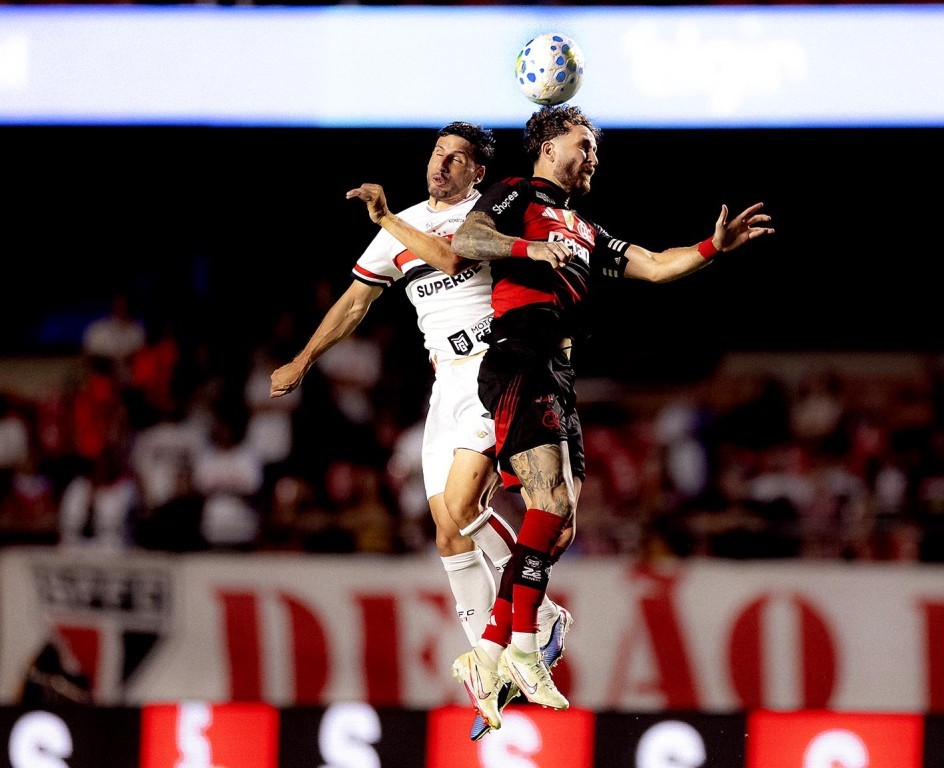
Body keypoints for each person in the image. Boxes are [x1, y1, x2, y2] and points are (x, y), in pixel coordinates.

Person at [449, 104, 775, 729]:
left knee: (560, 525)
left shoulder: (584, 228)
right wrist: (529, 247)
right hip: (520, 356)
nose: (594, 155)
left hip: (557, 370)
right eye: (585, 143)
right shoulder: (517, 194)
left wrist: (715, 246)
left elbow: (654, 264)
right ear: (549, 147)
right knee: (548, 504)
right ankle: (522, 648)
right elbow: (466, 240)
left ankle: (487, 654)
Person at [268, 122, 573, 739]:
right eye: (439, 153)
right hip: (446, 382)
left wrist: (386, 219)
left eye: (459, 159)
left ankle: (534, 622)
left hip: (497, 366)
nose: (443, 165)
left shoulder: (488, 213)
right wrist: (303, 359)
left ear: (477, 173)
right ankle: (499, 659)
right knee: (448, 531)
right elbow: (355, 302)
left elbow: (453, 256)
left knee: (464, 503)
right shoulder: (401, 226)